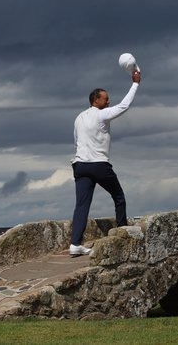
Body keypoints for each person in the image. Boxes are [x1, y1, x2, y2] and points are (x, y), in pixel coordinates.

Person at [70, 70, 141, 256]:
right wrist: (135, 84)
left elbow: (76, 141)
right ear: (96, 101)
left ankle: (75, 244)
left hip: (80, 165)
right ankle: (123, 231)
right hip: (99, 165)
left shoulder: (79, 118)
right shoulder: (101, 115)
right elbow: (124, 106)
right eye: (105, 99)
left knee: (81, 205)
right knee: (118, 196)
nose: (108, 101)